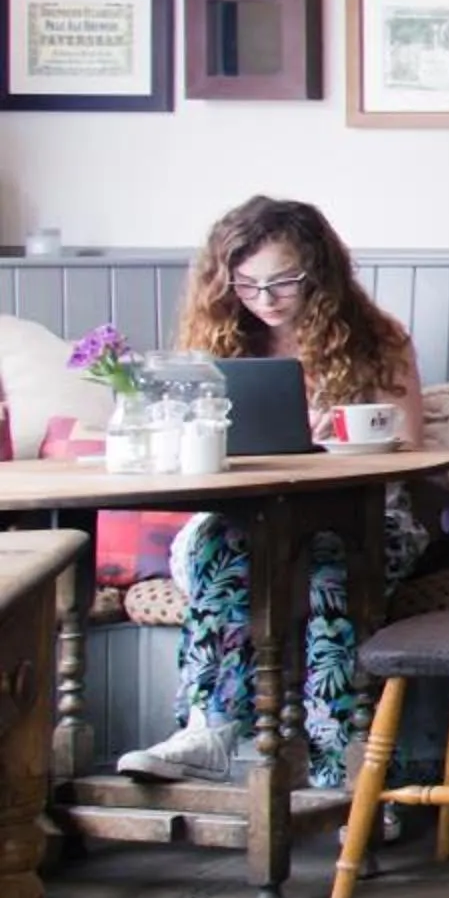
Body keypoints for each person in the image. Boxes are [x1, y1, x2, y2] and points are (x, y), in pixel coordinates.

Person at [115, 198, 429, 787]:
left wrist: (337, 433)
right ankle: (207, 729)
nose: (265, 299)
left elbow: (411, 447)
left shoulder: (377, 340)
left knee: (329, 576)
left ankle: (350, 780)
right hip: (251, 519)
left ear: (320, 273)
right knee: (221, 551)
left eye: (283, 281)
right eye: (246, 283)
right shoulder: (221, 342)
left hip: (363, 518)